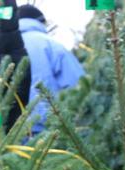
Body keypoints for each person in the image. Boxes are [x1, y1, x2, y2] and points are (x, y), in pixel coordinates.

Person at [17, 5, 84, 133]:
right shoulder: (51, 45)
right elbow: (78, 85)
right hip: (48, 130)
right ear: (41, 22)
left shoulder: (3, 47)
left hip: (10, 132)